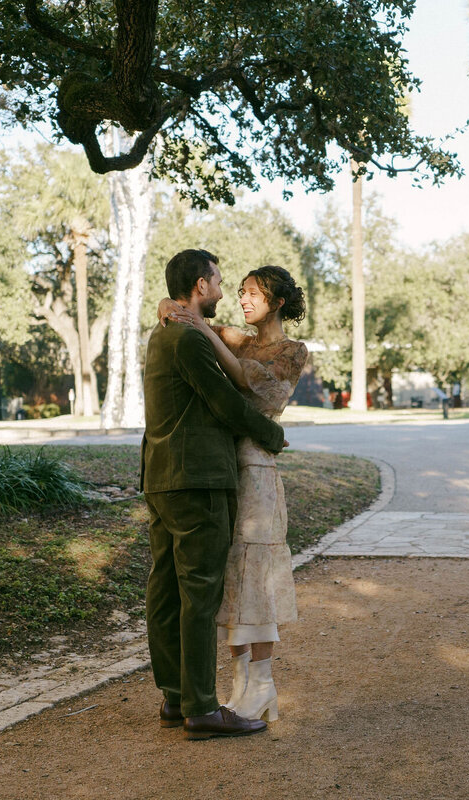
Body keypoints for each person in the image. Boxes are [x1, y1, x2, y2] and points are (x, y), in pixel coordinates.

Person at [141, 249, 286, 741]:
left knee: (165, 592)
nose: (224, 291)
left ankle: (176, 698)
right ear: (201, 286)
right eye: (220, 282)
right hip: (196, 479)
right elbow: (225, 403)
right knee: (198, 595)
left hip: (161, 477)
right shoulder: (187, 339)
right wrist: (270, 435)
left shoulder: (163, 333)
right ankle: (202, 707)